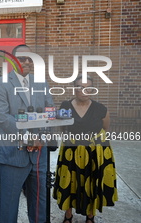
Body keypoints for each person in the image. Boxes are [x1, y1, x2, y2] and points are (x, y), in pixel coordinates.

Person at [0, 44, 54, 223]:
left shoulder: (41, 82)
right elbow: (3, 118)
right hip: (13, 155)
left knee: (39, 205)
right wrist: (28, 137)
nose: (26, 62)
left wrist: (41, 137)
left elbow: (50, 111)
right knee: (9, 205)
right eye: (22, 58)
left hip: (39, 155)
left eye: (30, 58)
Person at [53, 75, 118, 223]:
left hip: (95, 152)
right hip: (71, 151)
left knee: (92, 182)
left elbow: (105, 128)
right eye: (80, 87)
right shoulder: (65, 106)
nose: (84, 91)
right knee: (70, 182)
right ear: (74, 89)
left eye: (88, 87)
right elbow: (63, 127)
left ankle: (90, 216)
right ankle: (68, 215)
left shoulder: (100, 108)